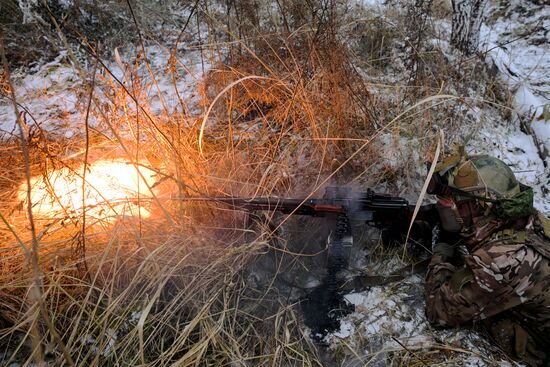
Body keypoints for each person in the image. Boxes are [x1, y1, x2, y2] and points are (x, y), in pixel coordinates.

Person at [424, 147, 550, 366]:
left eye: (454, 201)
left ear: (479, 205)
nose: (445, 204)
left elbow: (439, 312)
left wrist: (443, 246)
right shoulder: (530, 218)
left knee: (492, 320)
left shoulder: (498, 262)